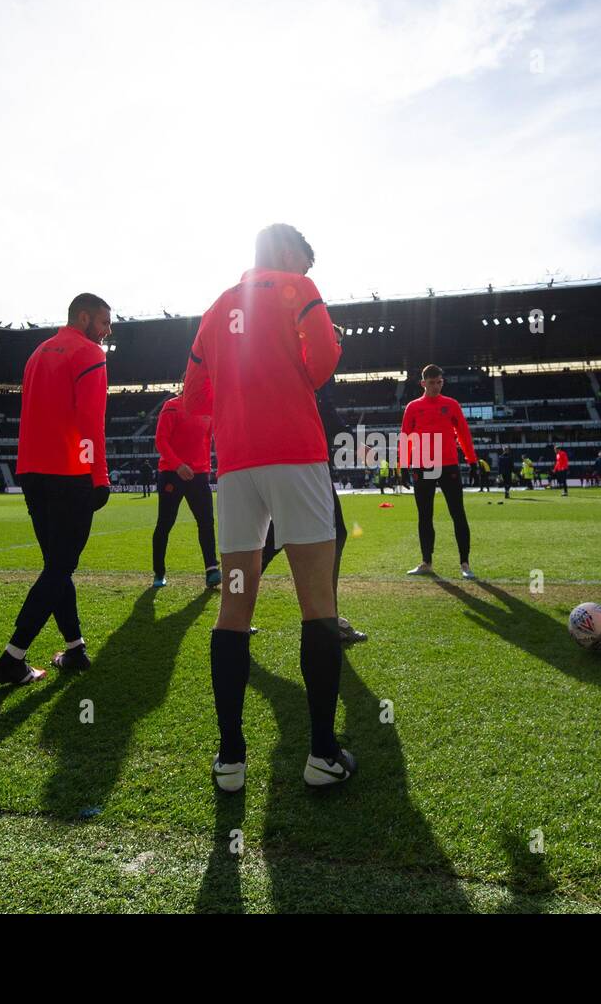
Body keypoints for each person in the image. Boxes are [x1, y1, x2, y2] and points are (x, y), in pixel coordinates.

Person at [181, 222, 355, 791]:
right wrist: (292, 378)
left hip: (234, 468)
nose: (306, 271)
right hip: (295, 456)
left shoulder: (215, 308)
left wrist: (239, 401)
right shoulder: (296, 289)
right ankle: (321, 755)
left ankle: (230, 760)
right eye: (303, 259)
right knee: (317, 602)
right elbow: (325, 356)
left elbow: (191, 400)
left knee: (235, 606)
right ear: (284, 252)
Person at [0, 292, 111, 686]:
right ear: (83, 316)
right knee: (61, 567)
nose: (107, 331)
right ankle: (12, 657)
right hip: (70, 472)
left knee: (57, 566)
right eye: (104, 322)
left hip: (32, 472)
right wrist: (100, 475)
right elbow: (91, 419)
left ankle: (74, 649)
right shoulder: (89, 353)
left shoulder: (38, 353)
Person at [260, 326, 367, 644]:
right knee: (333, 533)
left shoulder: (308, 367)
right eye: (334, 340)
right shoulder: (307, 366)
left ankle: (234, 609)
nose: (338, 347)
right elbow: (321, 415)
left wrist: (352, 437)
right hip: (300, 462)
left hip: (293, 462)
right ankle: (327, 617)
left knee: (273, 540)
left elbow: (327, 416)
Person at [400, 364, 478, 579]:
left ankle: (465, 563)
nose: (436, 386)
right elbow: (405, 436)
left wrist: (472, 461)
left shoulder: (451, 405)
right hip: (422, 464)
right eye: (432, 382)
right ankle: (426, 562)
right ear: (423, 383)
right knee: (425, 515)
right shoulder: (413, 407)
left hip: (448, 464)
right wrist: (404, 465)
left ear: (442, 382)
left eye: (439, 382)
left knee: (458, 513)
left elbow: (463, 433)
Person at [151, 392, 219, 588]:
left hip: (198, 475)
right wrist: (178, 465)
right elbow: (161, 440)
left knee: (206, 522)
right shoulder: (172, 406)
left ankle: (211, 569)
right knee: (165, 523)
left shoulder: (209, 409)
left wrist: (208, 468)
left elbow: (209, 441)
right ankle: (159, 571)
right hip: (172, 473)